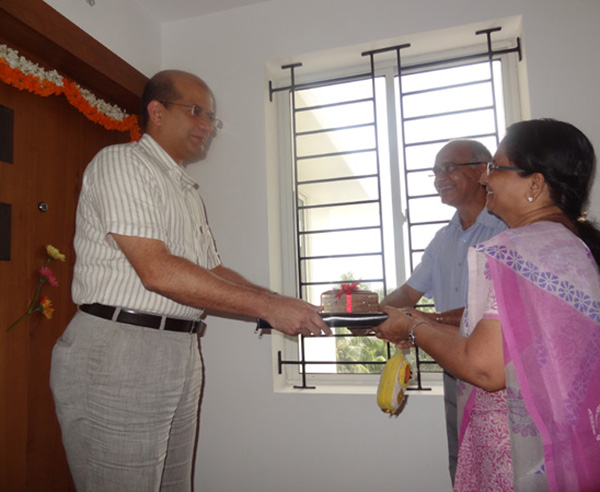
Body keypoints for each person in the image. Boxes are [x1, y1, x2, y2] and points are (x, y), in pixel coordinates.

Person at [50, 69, 331, 492]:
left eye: (211, 118)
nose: (206, 126)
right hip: (120, 347)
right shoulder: (122, 163)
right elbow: (157, 270)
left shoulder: (185, 189)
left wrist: (275, 298)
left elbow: (211, 270)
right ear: (156, 112)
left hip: (181, 348)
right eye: (196, 110)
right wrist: (268, 309)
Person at [374, 118, 600, 491]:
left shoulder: (518, 248)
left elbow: (484, 368)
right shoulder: (568, 245)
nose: (487, 179)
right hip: (559, 438)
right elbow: (513, 339)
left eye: (496, 168)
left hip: (520, 450)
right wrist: (408, 317)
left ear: (535, 184)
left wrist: (413, 327)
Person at [380, 139, 506, 483]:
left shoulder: (508, 231)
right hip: (454, 366)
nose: (440, 177)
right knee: (462, 459)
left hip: (501, 374)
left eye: (450, 167)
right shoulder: (442, 239)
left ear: (483, 171)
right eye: (436, 170)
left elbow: (499, 309)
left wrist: (418, 323)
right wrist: (372, 316)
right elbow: (407, 293)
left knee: (504, 469)